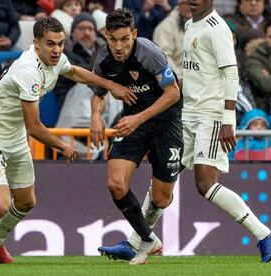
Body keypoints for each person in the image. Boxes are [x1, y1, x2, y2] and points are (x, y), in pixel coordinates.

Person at [100, 0, 271, 264]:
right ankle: (136, 241)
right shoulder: (190, 24)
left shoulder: (217, 28)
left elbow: (231, 73)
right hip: (187, 113)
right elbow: (195, 72)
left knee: (205, 183)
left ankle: (264, 233)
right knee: (164, 175)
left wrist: (228, 118)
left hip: (211, 115)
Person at [0, 17, 136, 264]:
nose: (57, 50)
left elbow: (76, 72)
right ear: (36, 43)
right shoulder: (27, 70)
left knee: (26, 201)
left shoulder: (55, 60)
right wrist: (62, 145)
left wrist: (110, 86)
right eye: (50, 44)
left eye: (60, 43)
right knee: (0, 205)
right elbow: (34, 127)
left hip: (13, 136)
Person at [90, 8, 183, 265]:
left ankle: (141, 237)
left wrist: (138, 118)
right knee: (115, 183)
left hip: (166, 122)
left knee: (162, 198)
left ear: (134, 34)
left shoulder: (149, 53)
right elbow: (99, 92)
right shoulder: (103, 60)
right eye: (113, 40)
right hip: (133, 123)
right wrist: (95, 116)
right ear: (105, 35)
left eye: (124, 39)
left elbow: (173, 93)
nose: (118, 46)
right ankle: (148, 239)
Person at [245, 17, 271, 115]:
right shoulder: (254, 56)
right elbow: (264, 84)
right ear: (264, 36)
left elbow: (268, 81)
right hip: (265, 109)